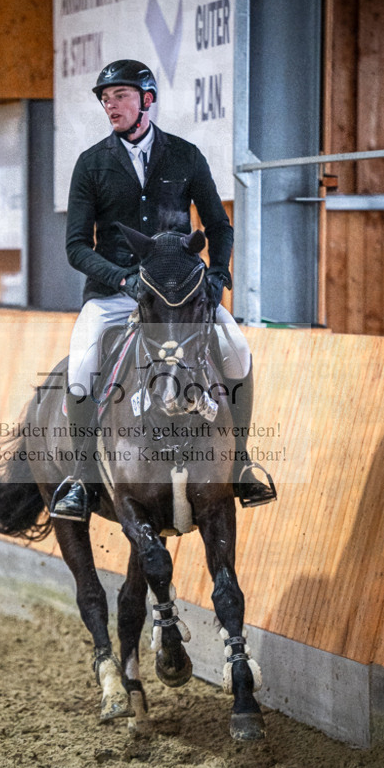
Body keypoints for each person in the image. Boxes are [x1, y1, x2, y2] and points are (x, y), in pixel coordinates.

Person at [51, 59, 272, 521]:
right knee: (82, 365)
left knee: (237, 352)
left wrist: (217, 275)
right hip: (115, 294)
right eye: (105, 99)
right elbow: (75, 246)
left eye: (121, 96)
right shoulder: (91, 164)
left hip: (182, 294)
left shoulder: (186, 155)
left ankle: (242, 463)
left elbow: (218, 224)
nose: (110, 105)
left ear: (147, 100)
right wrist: (121, 279)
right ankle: (82, 478)